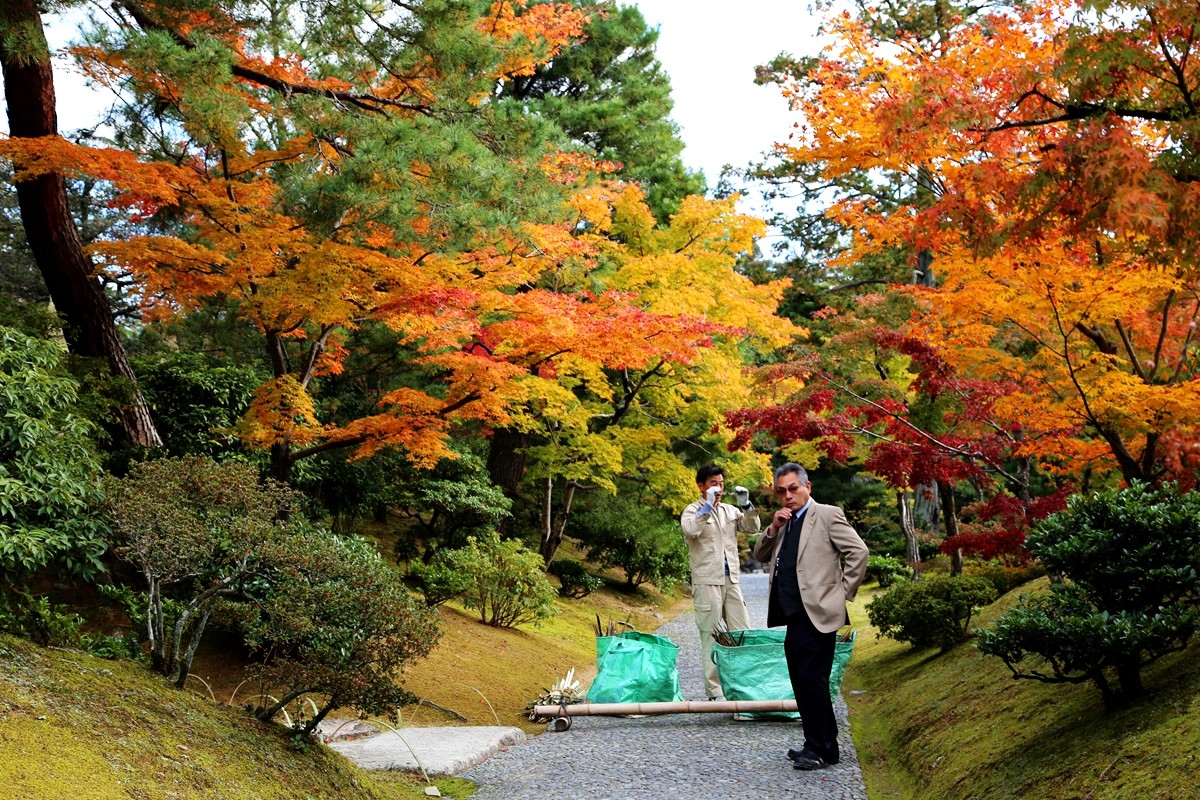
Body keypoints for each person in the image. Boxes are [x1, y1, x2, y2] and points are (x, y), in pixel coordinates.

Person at [753, 462, 868, 771]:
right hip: (793, 614)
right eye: (782, 491)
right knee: (802, 681)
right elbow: (759, 555)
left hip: (818, 612)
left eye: (793, 488)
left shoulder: (827, 515)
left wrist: (842, 593)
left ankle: (820, 748)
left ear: (807, 487)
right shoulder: (785, 521)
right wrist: (773, 528)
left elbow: (858, 552)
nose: (788, 496)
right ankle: (821, 745)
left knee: (811, 681)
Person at [680, 463, 760, 701]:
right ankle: (716, 693)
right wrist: (706, 506)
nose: (719, 489)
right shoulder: (691, 511)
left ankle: (745, 687)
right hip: (706, 582)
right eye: (713, 484)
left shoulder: (729, 510)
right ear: (701, 486)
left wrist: (746, 505)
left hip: (732, 580)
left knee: (742, 633)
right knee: (712, 635)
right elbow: (691, 530)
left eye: (721, 484)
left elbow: (753, 528)